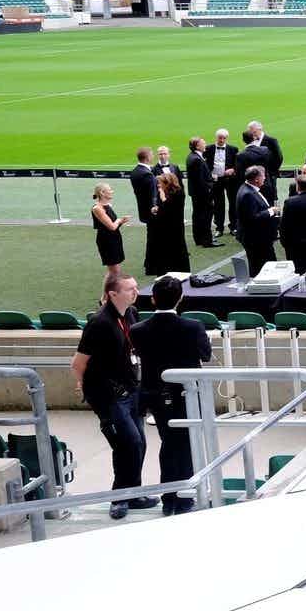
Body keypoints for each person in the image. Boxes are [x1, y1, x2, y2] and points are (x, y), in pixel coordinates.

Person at [72, 274, 158, 519]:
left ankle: (133, 493)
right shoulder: (99, 323)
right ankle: (119, 497)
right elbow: (78, 363)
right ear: (112, 294)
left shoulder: (130, 315)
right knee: (127, 444)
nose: (135, 292)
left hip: (131, 391)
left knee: (138, 443)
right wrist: (85, 386)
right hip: (110, 397)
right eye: (129, 289)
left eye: (135, 288)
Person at [129, 275, 211, 516]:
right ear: (180, 299)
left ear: (153, 299)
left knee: (170, 442)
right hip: (185, 394)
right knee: (182, 444)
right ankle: (181, 498)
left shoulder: (138, 330)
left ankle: (171, 498)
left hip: (156, 395)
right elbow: (205, 355)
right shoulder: (193, 327)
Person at [235, 165, 280, 272]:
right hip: (256, 239)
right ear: (256, 179)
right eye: (263, 176)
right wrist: (271, 211)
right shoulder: (248, 194)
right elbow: (253, 218)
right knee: (262, 267)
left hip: (258, 238)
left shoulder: (248, 189)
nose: (265, 178)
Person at [91, 183, 131, 273]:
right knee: (114, 271)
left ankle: (113, 286)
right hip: (107, 241)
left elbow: (112, 225)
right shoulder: (97, 208)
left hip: (114, 238)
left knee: (115, 270)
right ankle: (111, 287)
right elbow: (112, 227)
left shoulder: (108, 206)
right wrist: (119, 220)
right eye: (109, 190)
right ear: (102, 193)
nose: (112, 191)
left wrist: (121, 221)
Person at [185, 138, 215, 248]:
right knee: (205, 215)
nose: (205, 145)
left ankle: (199, 238)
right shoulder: (196, 159)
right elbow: (200, 180)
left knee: (197, 215)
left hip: (196, 193)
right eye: (203, 143)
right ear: (197, 146)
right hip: (202, 194)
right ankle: (207, 240)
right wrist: (210, 185)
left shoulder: (192, 157)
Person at [130, 147, 157, 225]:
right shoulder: (147, 174)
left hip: (142, 209)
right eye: (152, 155)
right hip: (152, 212)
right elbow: (153, 194)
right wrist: (155, 207)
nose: (153, 156)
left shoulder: (134, 171)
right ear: (148, 158)